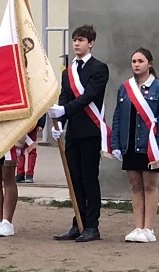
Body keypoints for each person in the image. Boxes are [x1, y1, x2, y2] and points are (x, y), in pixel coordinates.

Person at [48, 24, 109, 243]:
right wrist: (60, 123)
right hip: (73, 131)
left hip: (91, 131)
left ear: (91, 43)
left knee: (89, 179)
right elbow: (65, 96)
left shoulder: (99, 68)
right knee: (75, 180)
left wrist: (65, 110)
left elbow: (89, 96)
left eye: (81, 40)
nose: (76, 43)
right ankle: (78, 223)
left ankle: (92, 225)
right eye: (74, 40)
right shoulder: (69, 70)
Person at [111, 48, 159, 243]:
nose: (136, 64)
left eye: (140, 61)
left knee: (149, 186)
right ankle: (138, 226)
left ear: (150, 64)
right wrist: (116, 144)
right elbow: (118, 116)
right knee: (135, 186)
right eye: (134, 61)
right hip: (129, 144)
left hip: (149, 145)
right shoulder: (124, 88)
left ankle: (149, 228)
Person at [15, 114, 47, 184]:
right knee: (19, 149)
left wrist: (41, 124)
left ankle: (29, 174)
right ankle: (20, 173)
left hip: (32, 125)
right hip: (21, 124)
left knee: (31, 150)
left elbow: (41, 109)